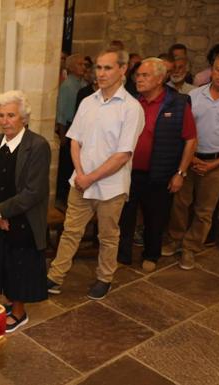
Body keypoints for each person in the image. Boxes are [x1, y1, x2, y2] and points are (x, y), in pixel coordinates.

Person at [46, 48, 145, 300]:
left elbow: (123, 154)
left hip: (111, 186)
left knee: (108, 235)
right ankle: (54, 277)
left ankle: (104, 277)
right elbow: (75, 140)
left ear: (122, 70)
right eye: (98, 68)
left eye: (107, 68)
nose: (101, 73)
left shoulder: (131, 108)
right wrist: (81, 174)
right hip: (80, 182)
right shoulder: (88, 102)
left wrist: (90, 177)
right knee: (70, 231)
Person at [0, 90, 50, 333]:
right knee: (0, 261)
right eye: (1, 116)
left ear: (24, 118)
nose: (4, 121)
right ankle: (8, 302)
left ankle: (19, 312)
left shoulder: (38, 146)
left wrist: (1, 212)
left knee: (19, 265)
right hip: (0, 216)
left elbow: (34, 192)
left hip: (24, 218)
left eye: (10, 115)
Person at [117, 58, 197, 273]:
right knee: (125, 215)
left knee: (156, 216)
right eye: (138, 75)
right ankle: (122, 256)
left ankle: (151, 254)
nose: (139, 79)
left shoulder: (178, 103)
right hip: (129, 171)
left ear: (160, 78)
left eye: (145, 75)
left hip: (160, 172)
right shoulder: (132, 101)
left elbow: (190, 139)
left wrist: (180, 172)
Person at [163, 51, 219, 269]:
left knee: (205, 209)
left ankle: (190, 248)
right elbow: (182, 131)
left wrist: (215, 164)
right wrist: (191, 157)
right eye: (218, 69)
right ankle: (175, 239)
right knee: (180, 203)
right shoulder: (194, 96)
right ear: (211, 70)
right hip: (189, 159)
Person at [55, 53, 88, 208]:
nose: (83, 67)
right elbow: (62, 111)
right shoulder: (68, 85)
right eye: (80, 64)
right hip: (69, 127)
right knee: (67, 163)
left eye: (84, 64)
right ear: (71, 67)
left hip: (80, 128)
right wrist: (62, 135)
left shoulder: (82, 84)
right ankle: (63, 197)